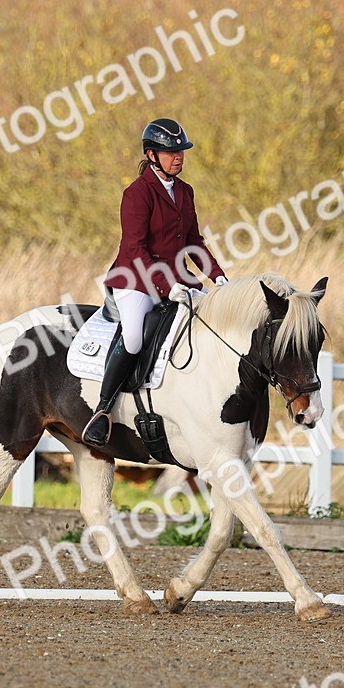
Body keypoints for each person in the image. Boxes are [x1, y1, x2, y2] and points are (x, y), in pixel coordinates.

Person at [81, 118, 228, 447]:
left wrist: (217, 276)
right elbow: (135, 248)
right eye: (171, 152)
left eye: (181, 151)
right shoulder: (136, 193)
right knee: (133, 337)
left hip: (178, 279)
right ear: (152, 155)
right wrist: (165, 286)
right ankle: (102, 411)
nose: (179, 157)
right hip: (135, 280)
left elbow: (193, 242)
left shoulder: (185, 191)